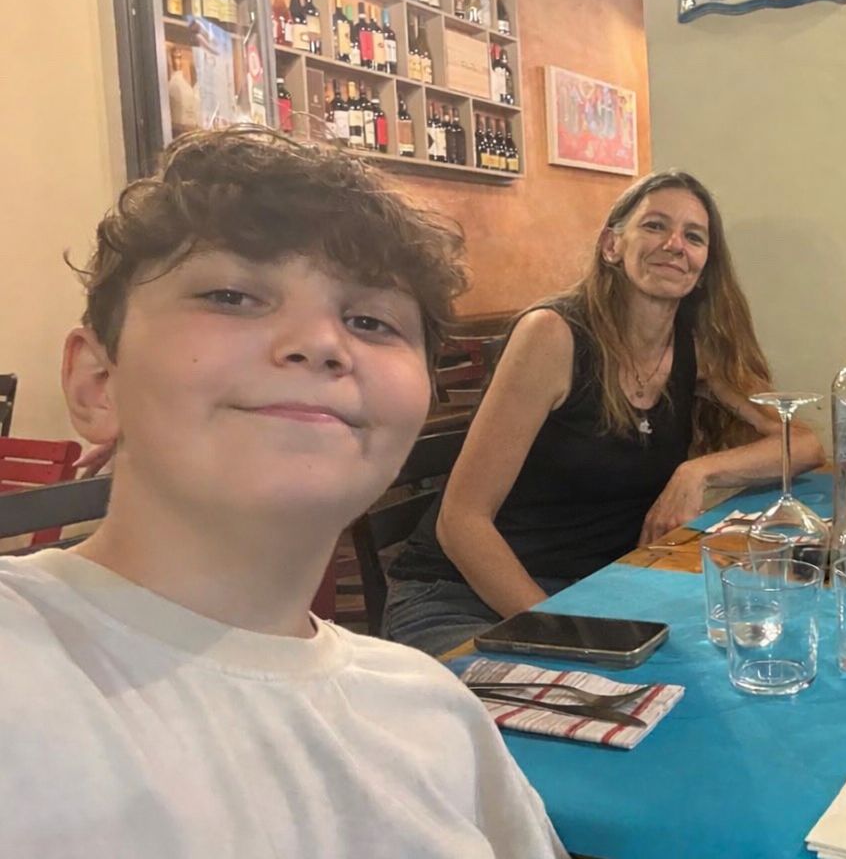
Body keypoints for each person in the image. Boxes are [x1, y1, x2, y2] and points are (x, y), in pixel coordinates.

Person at [0, 128, 565, 857]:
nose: (321, 342)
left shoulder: (437, 714)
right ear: (97, 383)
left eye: (370, 321)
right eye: (232, 296)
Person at [385, 170, 824, 656]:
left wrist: (696, 472)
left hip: (597, 590)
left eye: (694, 236)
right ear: (612, 245)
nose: (675, 245)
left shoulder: (692, 350)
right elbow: (461, 521)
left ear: (704, 266)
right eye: (655, 226)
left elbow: (803, 444)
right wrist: (568, 634)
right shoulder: (552, 335)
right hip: (467, 597)